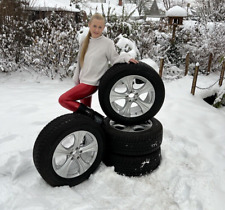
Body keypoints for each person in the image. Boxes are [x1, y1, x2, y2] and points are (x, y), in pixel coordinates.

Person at [58, 13, 138, 123]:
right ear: (89, 25)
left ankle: (94, 116)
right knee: (83, 117)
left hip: (91, 84)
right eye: (94, 26)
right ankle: (87, 135)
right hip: (83, 82)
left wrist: (126, 58)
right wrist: (77, 81)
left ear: (103, 28)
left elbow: (115, 58)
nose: (97, 29)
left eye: (100, 27)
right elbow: (79, 64)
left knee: (63, 99)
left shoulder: (107, 43)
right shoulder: (84, 42)